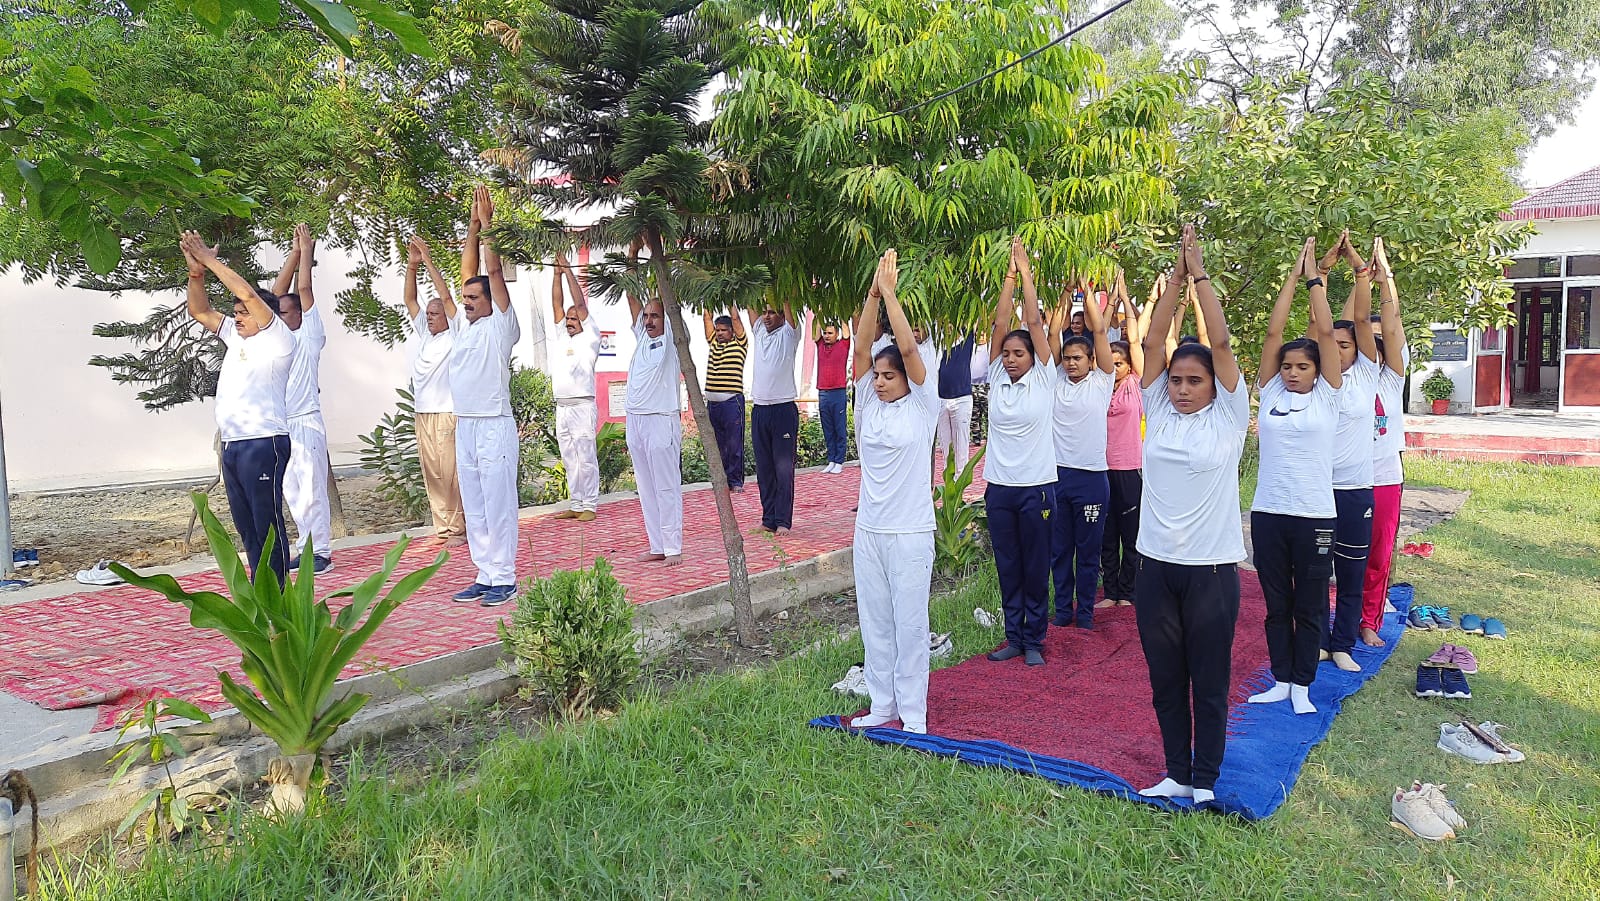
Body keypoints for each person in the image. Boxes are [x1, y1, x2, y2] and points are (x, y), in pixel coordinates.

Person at [1134, 224, 1248, 805]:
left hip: (1210, 570)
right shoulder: (1157, 402)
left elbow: (1222, 347)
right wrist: (1172, 284)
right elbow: (1153, 345)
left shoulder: (1229, 415)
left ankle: (1205, 780)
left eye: (1193, 381)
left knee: (1208, 681)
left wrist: (1199, 274)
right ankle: (1176, 771)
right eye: (1176, 380)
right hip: (1155, 566)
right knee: (1164, 679)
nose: (1180, 388)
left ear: (1214, 385)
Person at [1246, 238, 1343, 716]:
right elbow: (1272, 333)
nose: (1292, 372)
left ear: (1318, 370)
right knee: (1275, 604)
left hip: (1314, 517)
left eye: (1302, 366)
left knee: (1309, 605)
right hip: (1268, 514)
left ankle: (1303, 684)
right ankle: (1280, 678)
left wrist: (1315, 281)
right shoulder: (1270, 394)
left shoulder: (1329, 395)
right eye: (1287, 366)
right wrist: (1291, 276)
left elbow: (1326, 335)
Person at [846, 249, 940, 733]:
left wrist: (893, 299)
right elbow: (862, 350)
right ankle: (882, 705)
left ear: (907, 379)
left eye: (889, 377)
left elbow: (907, 350)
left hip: (910, 532)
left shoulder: (923, 406)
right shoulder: (868, 403)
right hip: (870, 530)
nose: (880, 382)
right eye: (877, 377)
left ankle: (914, 714)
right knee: (876, 624)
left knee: (910, 624)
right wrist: (871, 296)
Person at [179, 230, 295, 583]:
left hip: (264, 442)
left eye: (245, 312)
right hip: (233, 444)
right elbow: (199, 310)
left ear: (265, 314)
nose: (238, 317)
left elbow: (245, 291)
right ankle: (262, 593)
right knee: (247, 527)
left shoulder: (278, 339)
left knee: (267, 522)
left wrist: (211, 260)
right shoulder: (234, 334)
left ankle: (280, 597)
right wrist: (196, 272)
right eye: (236, 313)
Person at [983, 237, 1057, 667]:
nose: (1010, 359)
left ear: (1033, 356)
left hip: (1037, 489)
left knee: (1034, 567)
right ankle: (1013, 636)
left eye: (1018, 353)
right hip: (1000, 490)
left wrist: (1026, 273)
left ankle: (1034, 640)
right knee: (1008, 565)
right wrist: (1006, 279)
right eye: (1006, 354)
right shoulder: (996, 376)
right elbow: (1000, 323)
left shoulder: (1044, 378)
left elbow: (1031, 321)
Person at [447, 187, 522, 607]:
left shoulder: (501, 327)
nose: (468, 302)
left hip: (494, 424)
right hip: (467, 425)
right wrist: (471, 229)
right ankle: (484, 571)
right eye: (466, 299)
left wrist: (489, 227)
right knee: (474, 505)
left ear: (491, 301)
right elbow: (468, 272)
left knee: (497, 503)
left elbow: (491, 274)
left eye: (474, 299)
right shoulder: (466, 328)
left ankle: (505, 577)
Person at [1323, 232, 1381, 669]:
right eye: (1334, 345)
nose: (1339, 350)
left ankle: (1341, 643)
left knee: (1350, 574)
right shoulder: (1317, 377)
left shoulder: (1367, 374)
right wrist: (1319, 273)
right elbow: (1322, 324)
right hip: (1315, 492)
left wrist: (1360, 270)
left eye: (1346, 345)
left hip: (1355, 490)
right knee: (1310, 575)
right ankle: (1315, 640)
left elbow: (1359, 320)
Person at [1047, 281, 1114, 629]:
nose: (1071, 363)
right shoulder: (1055, 379)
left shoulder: (1102, 382)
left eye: (1078, 358)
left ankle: (1085, 614)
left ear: (1091, 360)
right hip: (1058, 477)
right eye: (1068, 357)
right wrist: (1063, 297)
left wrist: (1087, 293)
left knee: (1088, 553)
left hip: (1091, 480)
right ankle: (1062, 612)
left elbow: (1100, 330)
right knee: (1060, 551)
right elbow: (1052, 331)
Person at [274, 224, 334, 574]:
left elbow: (303, 287)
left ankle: (321, 551)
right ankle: (305, 547)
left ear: (299, 313)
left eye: (285, 312)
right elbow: (272, 295)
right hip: (283, 423)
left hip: (307, 419)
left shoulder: (310, 332)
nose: (279, 317)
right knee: (291, 490)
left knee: (312, 490)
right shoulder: (277, 338)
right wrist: (292, 254)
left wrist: (306, 254)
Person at [402, 236, 465, 548]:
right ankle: (443, 527)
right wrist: (411, 266)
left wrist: (428, 260)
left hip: (446, 411)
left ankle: (458, 528)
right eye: (428, 314)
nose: (428, 317)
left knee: (450, 473)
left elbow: (447, 297)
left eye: (434, 313)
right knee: (433, 474)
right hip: (423, 412)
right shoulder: (425, 336)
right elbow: (410, 301)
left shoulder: (455, 334)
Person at [625, 240, 685, 564]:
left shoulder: (673, 340)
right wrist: (633, 256)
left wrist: (655, 253)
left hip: (662, 419)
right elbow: (631, 295)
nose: (648, 320)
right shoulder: (640, 336)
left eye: (654, 316)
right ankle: (657, 545)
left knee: (666, 486)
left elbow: (669, 299)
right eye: (646, 316)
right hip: (635, 420)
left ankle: (673, 546)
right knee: (646, 488)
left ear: (666, 317)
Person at [1362, 238, 1409, 645]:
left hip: (1384, 477)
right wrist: (1361, 277)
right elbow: (1343, 327)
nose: (1377, 346)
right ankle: (1336, 620)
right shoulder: (1345, 382)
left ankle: (1367, 621)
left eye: (1382, 342)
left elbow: (1391, 328)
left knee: (1378, 555)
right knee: (1340, 557)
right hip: (1345, 477)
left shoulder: (1391, 381)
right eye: (1369, 341)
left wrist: (1386, 277)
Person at [1100, 269, 1144, 608]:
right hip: (1100, 468)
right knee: (1106, 534)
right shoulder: (1099, 386)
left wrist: (1125, 299)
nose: (1115, 368)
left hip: (1129, 468)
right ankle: (1110, 591)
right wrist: (1107, 301)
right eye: (1110, 363)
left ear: (1129, 366)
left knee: (1130, 535)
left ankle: (1127, 593)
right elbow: (1099, 334)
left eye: (1120, 363)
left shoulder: (1136, 386)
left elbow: (1136, 342)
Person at [548, 253, 602, 521]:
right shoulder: (561, 336)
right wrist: (555, 274)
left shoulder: (590, 337)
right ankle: (576, 502)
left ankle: (590, 504)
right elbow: (556, 304)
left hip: (582, 405)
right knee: (569, 456)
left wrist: (568, 270)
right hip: (563, 406)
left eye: (573, 319)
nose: (568, 321)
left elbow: (578, 303)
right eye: (567, 319)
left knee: (585, 455)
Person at [748, 300, 801, 533]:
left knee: (783, 469)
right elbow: (749, 302)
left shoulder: (790, 335)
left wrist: (785, 291)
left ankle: (783, 521)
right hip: (760, 409)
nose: (766, 317)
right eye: (765, 312)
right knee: (764, 470)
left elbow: (791, 310)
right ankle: (768, 519)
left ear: (782, 315)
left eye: (772, 313)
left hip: (783, 409)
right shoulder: (759, 331)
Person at [702, 305, 748, 491]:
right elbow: (706, 317)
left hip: (731, 402)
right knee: (718, 445)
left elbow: (736, 319)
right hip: (712, 404)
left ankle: (736, 482)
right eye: (717, 330)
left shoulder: (740, 344)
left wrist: (729, 300)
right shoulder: (713, 343)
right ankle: (722, 482)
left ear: (732, 331)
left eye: (723, 330)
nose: (719, 333)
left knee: (734, 444)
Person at [813, 315, 853, 474]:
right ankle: (831, 460)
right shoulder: (820, 345)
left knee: (839, 428)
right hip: (823, 392)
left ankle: (839, 461)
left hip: (838, 392)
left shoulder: (843, 345)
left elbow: (847, 332)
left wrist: (840, 309)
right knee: (827, 428)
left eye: (830, 333)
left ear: (837, 334)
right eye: (825, 333)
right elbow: (815, 333)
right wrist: (819, 312)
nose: (826, 336)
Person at [934, 331, 976, 477]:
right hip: (941, 399)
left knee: (961, 442)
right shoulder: (938, 345)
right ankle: (949, 480)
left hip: (961, 398)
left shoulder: (967, 339)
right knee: (946, 444)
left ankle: (961, 480)